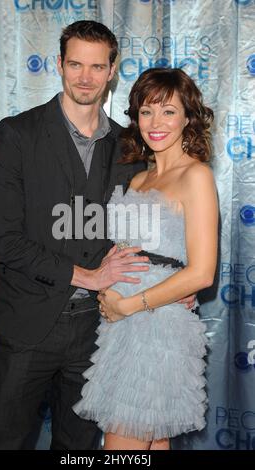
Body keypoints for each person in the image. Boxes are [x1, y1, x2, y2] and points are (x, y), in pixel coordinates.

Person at [0, 21, 194, 450]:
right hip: (27, 326)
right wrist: (88, 275)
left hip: (100, 330)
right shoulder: (17, 134)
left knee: (78, 451)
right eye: (75, 64)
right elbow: (2, 240)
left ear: (112, 70)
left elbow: (145, 232)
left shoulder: (130, 146)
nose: (85, 77)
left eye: (97, 67)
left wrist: (175, 286)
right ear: (59, 64)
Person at [73, 67, 218, 451]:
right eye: (146, 111)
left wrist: (128, 306)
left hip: (154, 328)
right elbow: (131, 249)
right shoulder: (139, 178)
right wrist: (108, 284)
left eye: (168, 111)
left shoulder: (196, 176)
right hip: (124, 325)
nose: (156, 123)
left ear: (188, 117)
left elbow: (202, 272)